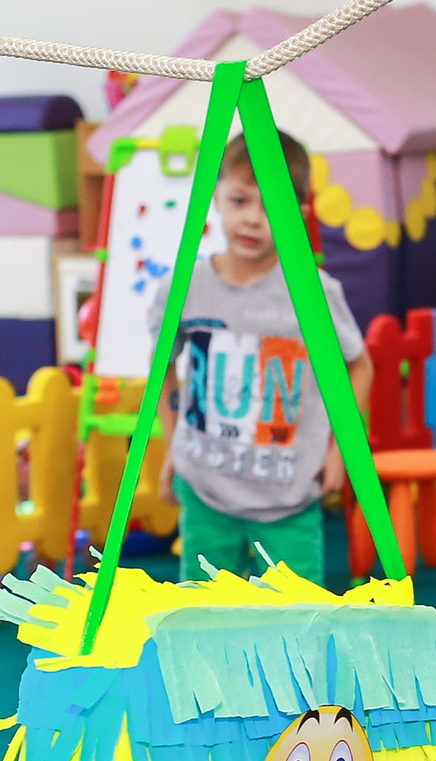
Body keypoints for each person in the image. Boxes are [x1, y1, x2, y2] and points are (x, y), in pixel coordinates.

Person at [149, 130, 369, 583]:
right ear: (216, 198)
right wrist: (173, 445)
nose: (253, 219)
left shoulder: (314, 293)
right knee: (202, 614)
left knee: (294, 617)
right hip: (207, 488)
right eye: (240, 201)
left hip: (288, 492)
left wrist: (339, 452)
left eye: (272, 206)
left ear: (300, 212)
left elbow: (358, 366)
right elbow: (162, 372)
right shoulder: (185, 287)